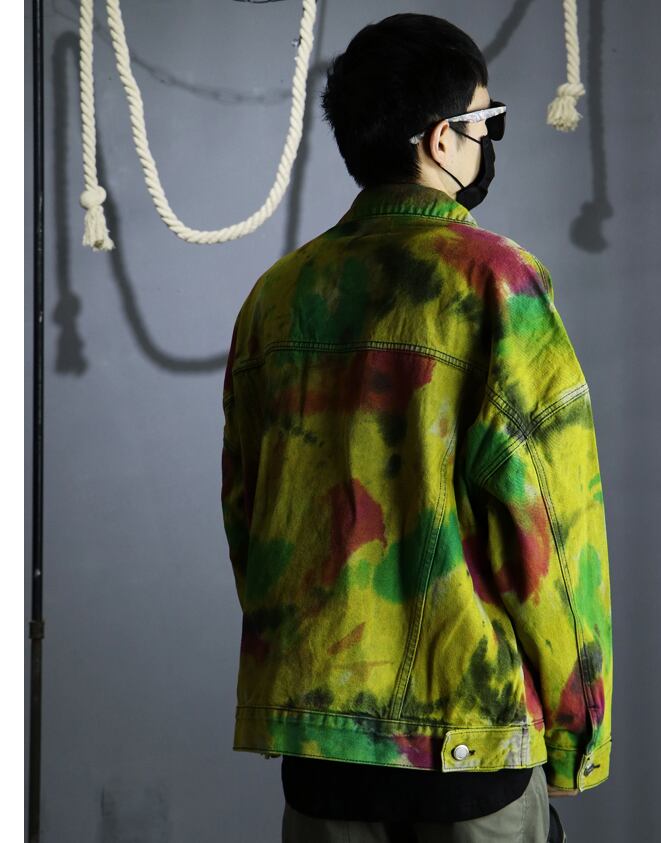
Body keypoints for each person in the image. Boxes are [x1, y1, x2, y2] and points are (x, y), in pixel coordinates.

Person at [220, 13, 613, 843]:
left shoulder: (278, 295)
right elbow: (550, 527)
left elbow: (251, 518)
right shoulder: (496, 282)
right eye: (485, 122)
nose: (486, 142)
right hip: (467, 740)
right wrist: (577, 730)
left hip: (322, 748)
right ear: (442, 138)